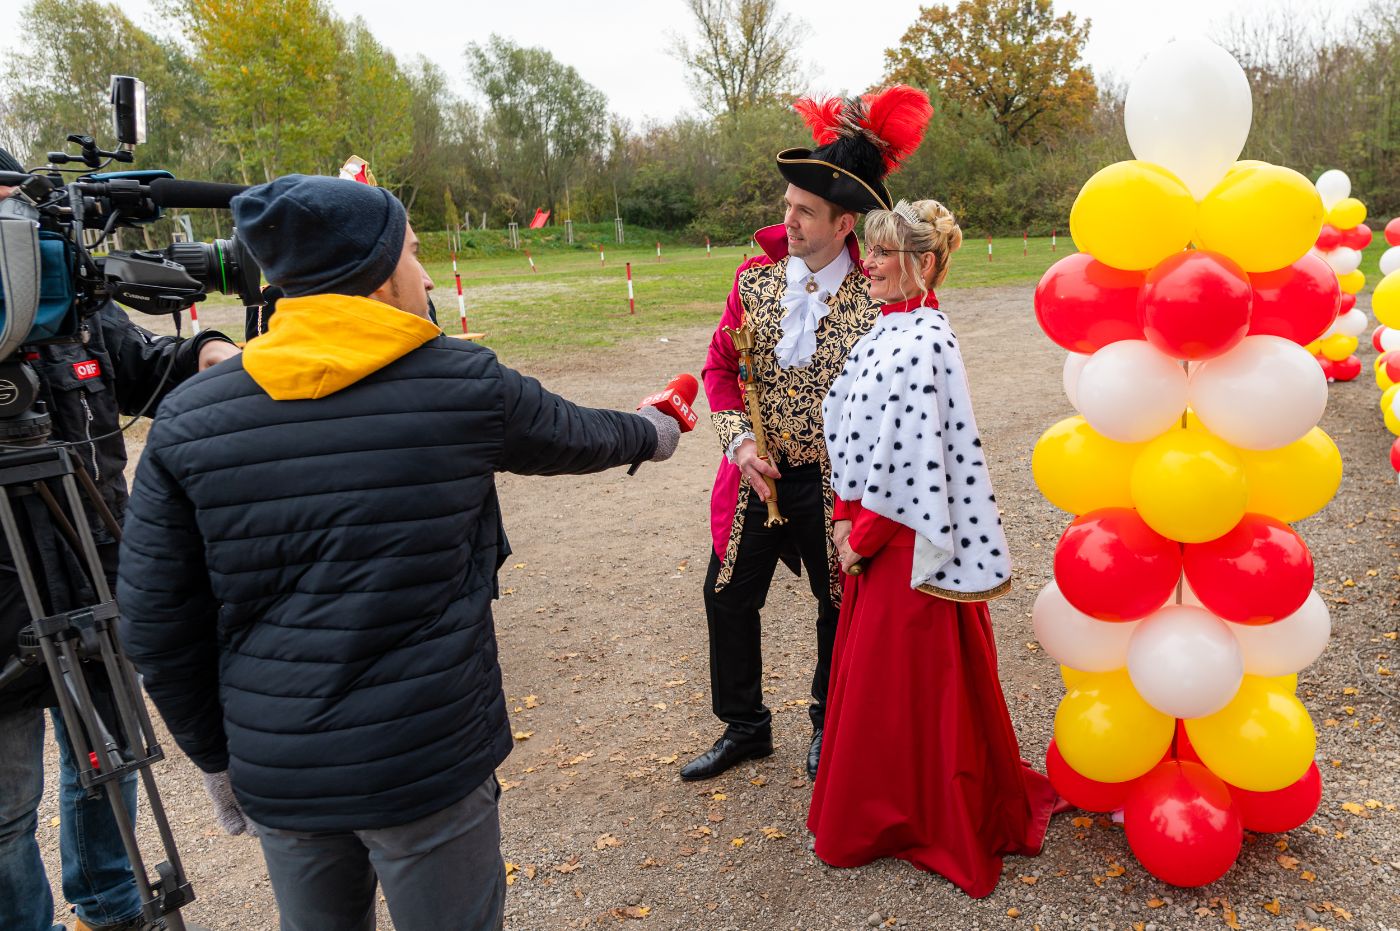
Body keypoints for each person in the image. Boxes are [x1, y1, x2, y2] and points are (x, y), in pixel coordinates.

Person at [115, 174, 682, 931]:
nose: (425, 274)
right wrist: (655, 430)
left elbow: (155, 622)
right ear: (380, 273)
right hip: (426, 759)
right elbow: (577, 435)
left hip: (283, 767)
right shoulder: (461, 384)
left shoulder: (189, 417)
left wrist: (217, 758)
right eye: (413, 253)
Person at [0, 146, 239, 931]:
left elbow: (146, 367)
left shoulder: (74, 305)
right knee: (6, 807)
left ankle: (110, 903)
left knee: (109, 763)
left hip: (96, 571)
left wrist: (206, 351)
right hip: (3, 604)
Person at [808, 199, 1058, 897]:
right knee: (883, 687)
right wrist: (843, 515)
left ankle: (917, 814)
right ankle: (887, 806)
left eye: (884, 253)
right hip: (872, 533)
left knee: (910, 686)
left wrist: (860, 535)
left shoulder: (926, 339)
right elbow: (854, 432)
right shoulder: (886, 326)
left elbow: (911, 458)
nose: (869, 264)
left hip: (908, 546)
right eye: (870, 251)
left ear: (921, 262)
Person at [686, 86, 933, 782]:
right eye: (787, 205)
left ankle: (830, 723)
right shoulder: (755, 281)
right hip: (759, 471)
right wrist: (740, 444)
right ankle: (745, 726)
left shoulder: (876, 293)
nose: (787, 220)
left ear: (843, 222)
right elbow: (720, 367)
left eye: (803, 211)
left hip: (836, 482)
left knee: (839, 604)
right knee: (727, 593)